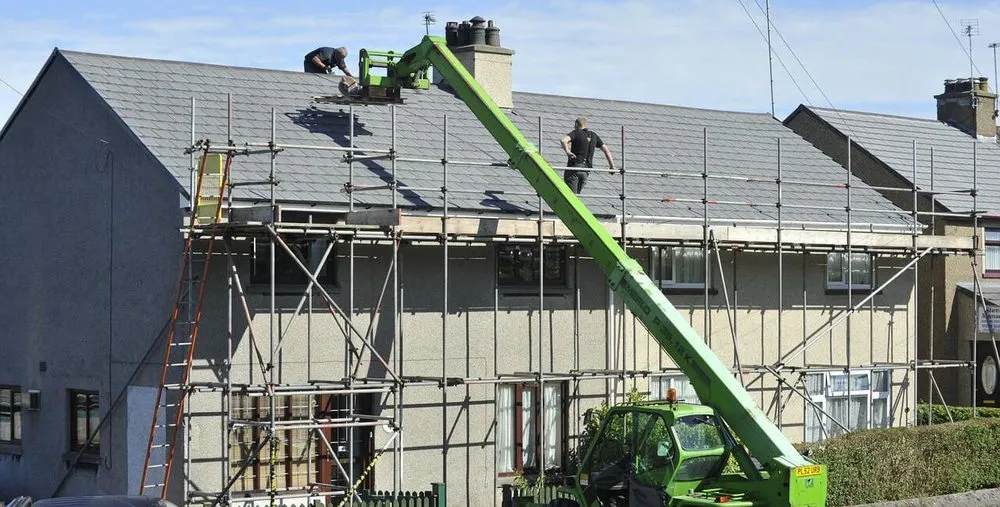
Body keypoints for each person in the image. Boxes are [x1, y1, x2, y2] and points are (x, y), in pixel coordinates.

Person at [559, 117, 616, 194]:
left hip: (574, 168)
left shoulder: (576, 132)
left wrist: (568, 152)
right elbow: (606, 151)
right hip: (586, 171)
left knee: (571, 197)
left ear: (576, 124)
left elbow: (563, 140)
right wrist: (612, 167)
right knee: (577, 197)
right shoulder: (594, 135)